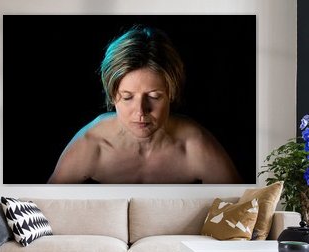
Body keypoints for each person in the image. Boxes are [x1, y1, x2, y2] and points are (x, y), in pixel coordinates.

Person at [48, 25, 242, 184]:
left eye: (154, 96)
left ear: (171, 94)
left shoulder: (195, 146)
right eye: (127, 97)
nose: (141, 111)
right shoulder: (91, 144)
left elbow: (241, 208)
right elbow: (47, 206)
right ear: (112, 95)